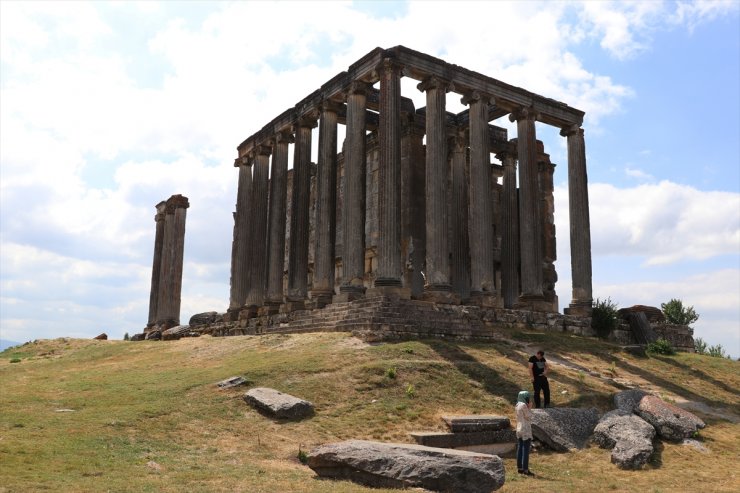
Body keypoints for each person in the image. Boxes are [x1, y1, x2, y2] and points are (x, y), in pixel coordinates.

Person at [515, 390, 535, 476]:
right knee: (525, 449)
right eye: (527, 397)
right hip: (525, 429)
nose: (528, 399)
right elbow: (529, 416)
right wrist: (530, 407)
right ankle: (526, 470)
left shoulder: (517, 404)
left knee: (520, 448)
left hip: (519, 428)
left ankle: (520, 468)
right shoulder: (523, 405)